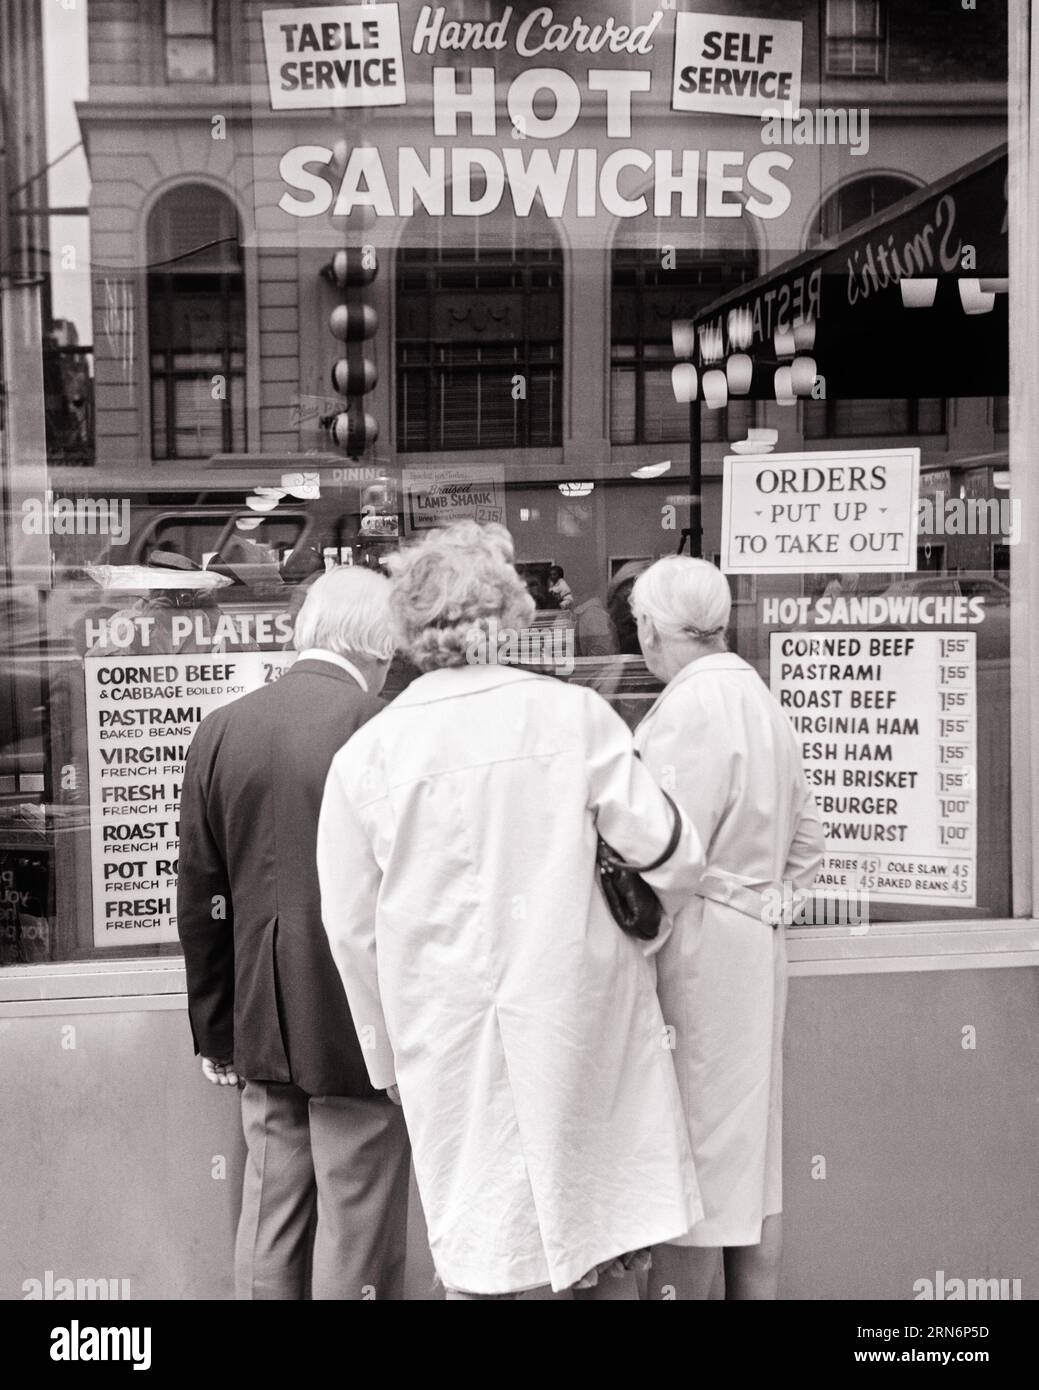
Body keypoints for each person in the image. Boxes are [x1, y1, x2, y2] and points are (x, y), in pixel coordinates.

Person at [316, 521, 707, 1300]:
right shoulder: (573, 718)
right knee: (599, 1244)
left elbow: (351, 929)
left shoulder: (368, 756)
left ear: (406, 628)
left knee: (485, 1248)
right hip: (578, 1017)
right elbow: (672, 854)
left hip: (447, 1036)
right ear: (509, 615)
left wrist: (385, 1056)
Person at [176, 567, 410, 1301]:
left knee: (268, 1217)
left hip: (261, 1017)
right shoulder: (379, 726)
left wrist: (216, 1029)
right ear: (380, 643)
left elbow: (201, 894)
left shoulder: (221, 728)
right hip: (356, 1022)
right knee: (357, 1219)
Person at [630, 556, 825, 1301]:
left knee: (695, 1151)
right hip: (751, 942)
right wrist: (767, 902)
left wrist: (644, 933)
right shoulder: (755, 694)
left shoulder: (688, 708)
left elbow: (664, 858)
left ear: (650, 628)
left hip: (699, 949)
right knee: (753, 1153)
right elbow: (807, 841)